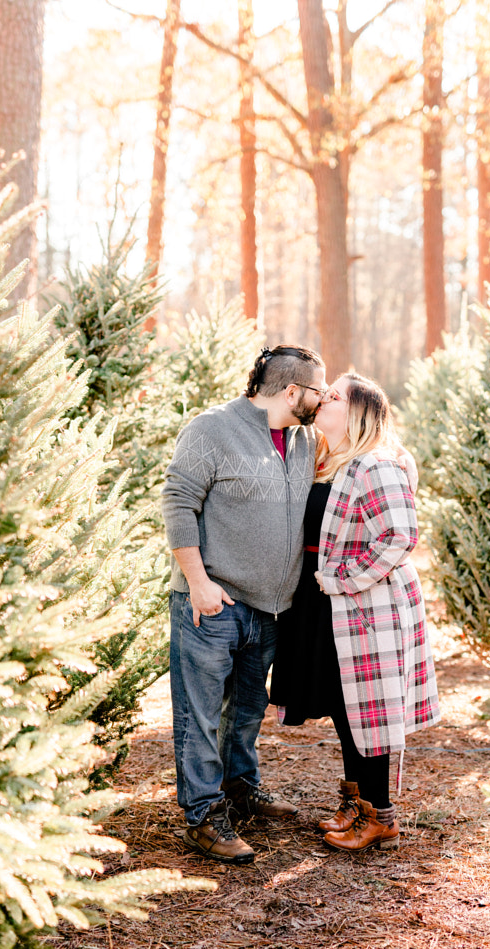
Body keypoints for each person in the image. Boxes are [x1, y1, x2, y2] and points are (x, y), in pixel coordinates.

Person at [162, 345, 327, 866]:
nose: (323, 400)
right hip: (213, 602)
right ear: (292, 391)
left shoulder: (304, 440)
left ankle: (241, 787)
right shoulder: (212, 429)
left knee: (248, 711)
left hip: (271, 608)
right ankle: (204, 816)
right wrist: (198, 582)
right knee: (201, 713)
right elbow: (177, 499)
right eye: (318, 390)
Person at [270, 372, 440, 852]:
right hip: (324, 604)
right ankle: (356, 801)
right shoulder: (329, 460)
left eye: (337, 395)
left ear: (360, 412)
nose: (325, 398)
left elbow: (400, 538)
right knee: (346, 707)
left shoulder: (377, 465)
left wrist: (342, 580)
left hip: (365, 605)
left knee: (368, 707)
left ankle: (380, 815)